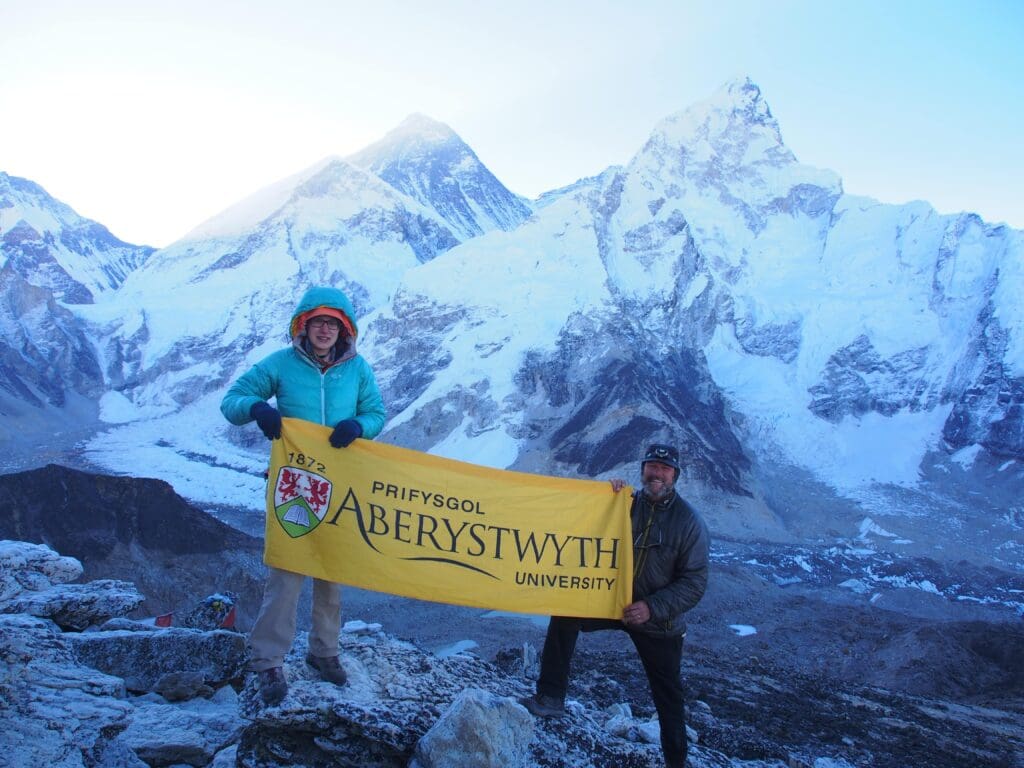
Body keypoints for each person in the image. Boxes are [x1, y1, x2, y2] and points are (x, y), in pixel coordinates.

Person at [220, 285, 386, 706]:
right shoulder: (280, 363)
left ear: (344, 328)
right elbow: (233, 400)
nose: (325, 330)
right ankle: (269, 660)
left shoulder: (358, 369)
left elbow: (375, 413)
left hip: (341, 483)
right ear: (304, 325)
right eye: (318, 322)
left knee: (331, 571)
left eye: (333, 323)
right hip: (294, 483)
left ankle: (324, 651)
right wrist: (257, 409)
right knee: (287, 573)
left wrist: (359, 427)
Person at [520, 443, 710, 768]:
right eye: (652, 466)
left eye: (664, 469)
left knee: (668, 694)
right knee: (566, 612)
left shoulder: (689, 522)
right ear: (643, 469)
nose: (657, 473)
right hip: (613, 604)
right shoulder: (627, 503)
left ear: (675, 475)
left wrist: (651, 607)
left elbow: (694, 582)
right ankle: (550, 697)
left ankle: (676, 760)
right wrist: (606, 497)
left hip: (657, 622)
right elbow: (588, 526)